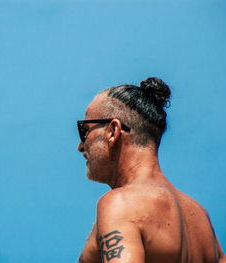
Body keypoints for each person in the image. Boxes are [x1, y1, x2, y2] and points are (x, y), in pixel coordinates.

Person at [77, 77, 225, 263]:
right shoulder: (201, 219)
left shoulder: (121, 204)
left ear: (112, 132)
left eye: (85, 131)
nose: (81, 146)